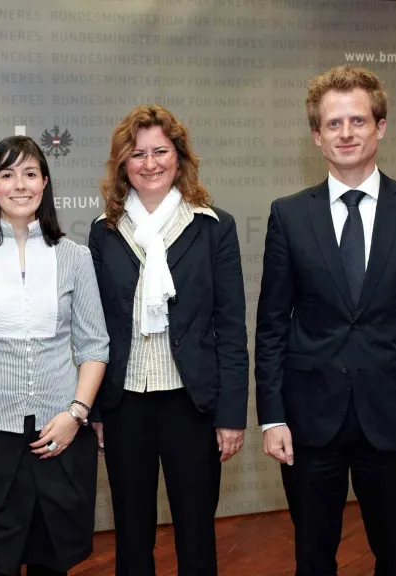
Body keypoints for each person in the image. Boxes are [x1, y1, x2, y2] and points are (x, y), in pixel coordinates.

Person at [255, 65, 396, 576]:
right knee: (312, 559)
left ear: (381, 127)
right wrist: (273, 415)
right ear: (316, 135)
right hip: (309, 422)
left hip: (395, 420)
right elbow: (271, 326)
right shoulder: (287, 215)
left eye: (358, 121)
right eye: (333, 124)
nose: (346, 133)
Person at [0, 136, 109, 576]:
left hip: (60, 437)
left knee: (55, 564)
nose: (20, 184)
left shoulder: (75, 257)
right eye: (7, 174)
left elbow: (94, 346)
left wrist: (76, 414)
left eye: (30, 174)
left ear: (45, 183)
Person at [88, 105, 249, 575]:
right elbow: (94, 330)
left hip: (192, 403)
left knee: (196, 534)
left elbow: (232, 328)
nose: (150, 162)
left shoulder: (213, 225)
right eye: (137, 154)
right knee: (132, 536)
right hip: (124, 404)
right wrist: (96, 411)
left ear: (180, 156)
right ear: (122, 163)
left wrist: (231, 415)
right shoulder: (105, 231)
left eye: (161, 150)